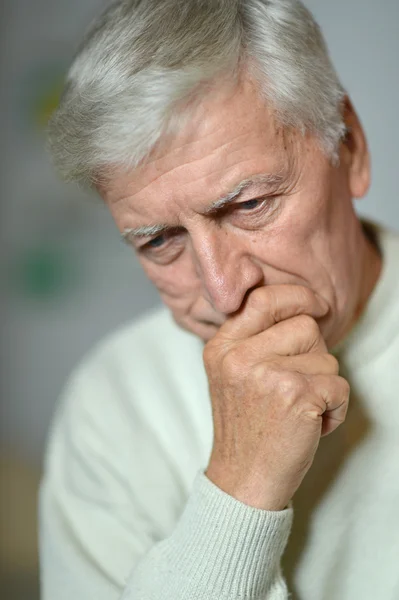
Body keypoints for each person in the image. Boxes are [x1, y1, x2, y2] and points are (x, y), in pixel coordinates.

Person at [40, 1, 399, 599]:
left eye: (251, 205)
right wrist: (240, 492)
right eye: (159, 241)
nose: (225, 291)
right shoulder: (111, 400)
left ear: (352, 147)